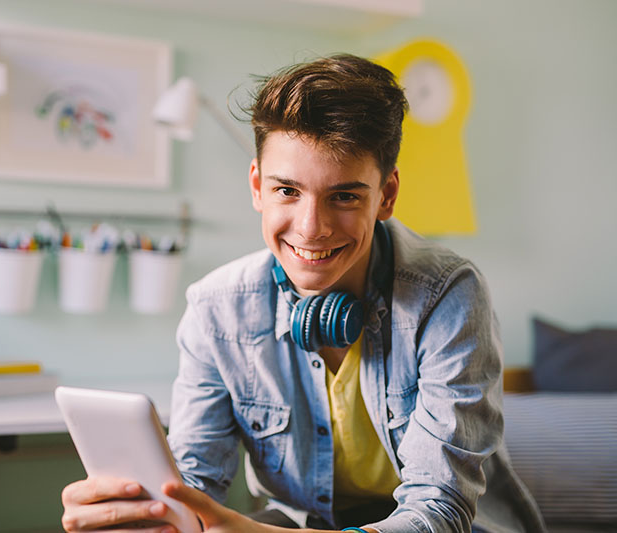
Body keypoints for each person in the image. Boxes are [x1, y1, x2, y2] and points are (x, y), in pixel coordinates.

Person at [60, 54, 546, 533]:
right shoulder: (217, 308)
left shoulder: (447, 293)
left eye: (344, 196)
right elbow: (194, 484)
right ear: (257, 186)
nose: (311, 229)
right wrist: (149, 516)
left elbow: (439, 511)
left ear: (388, 196)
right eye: (287, 191)